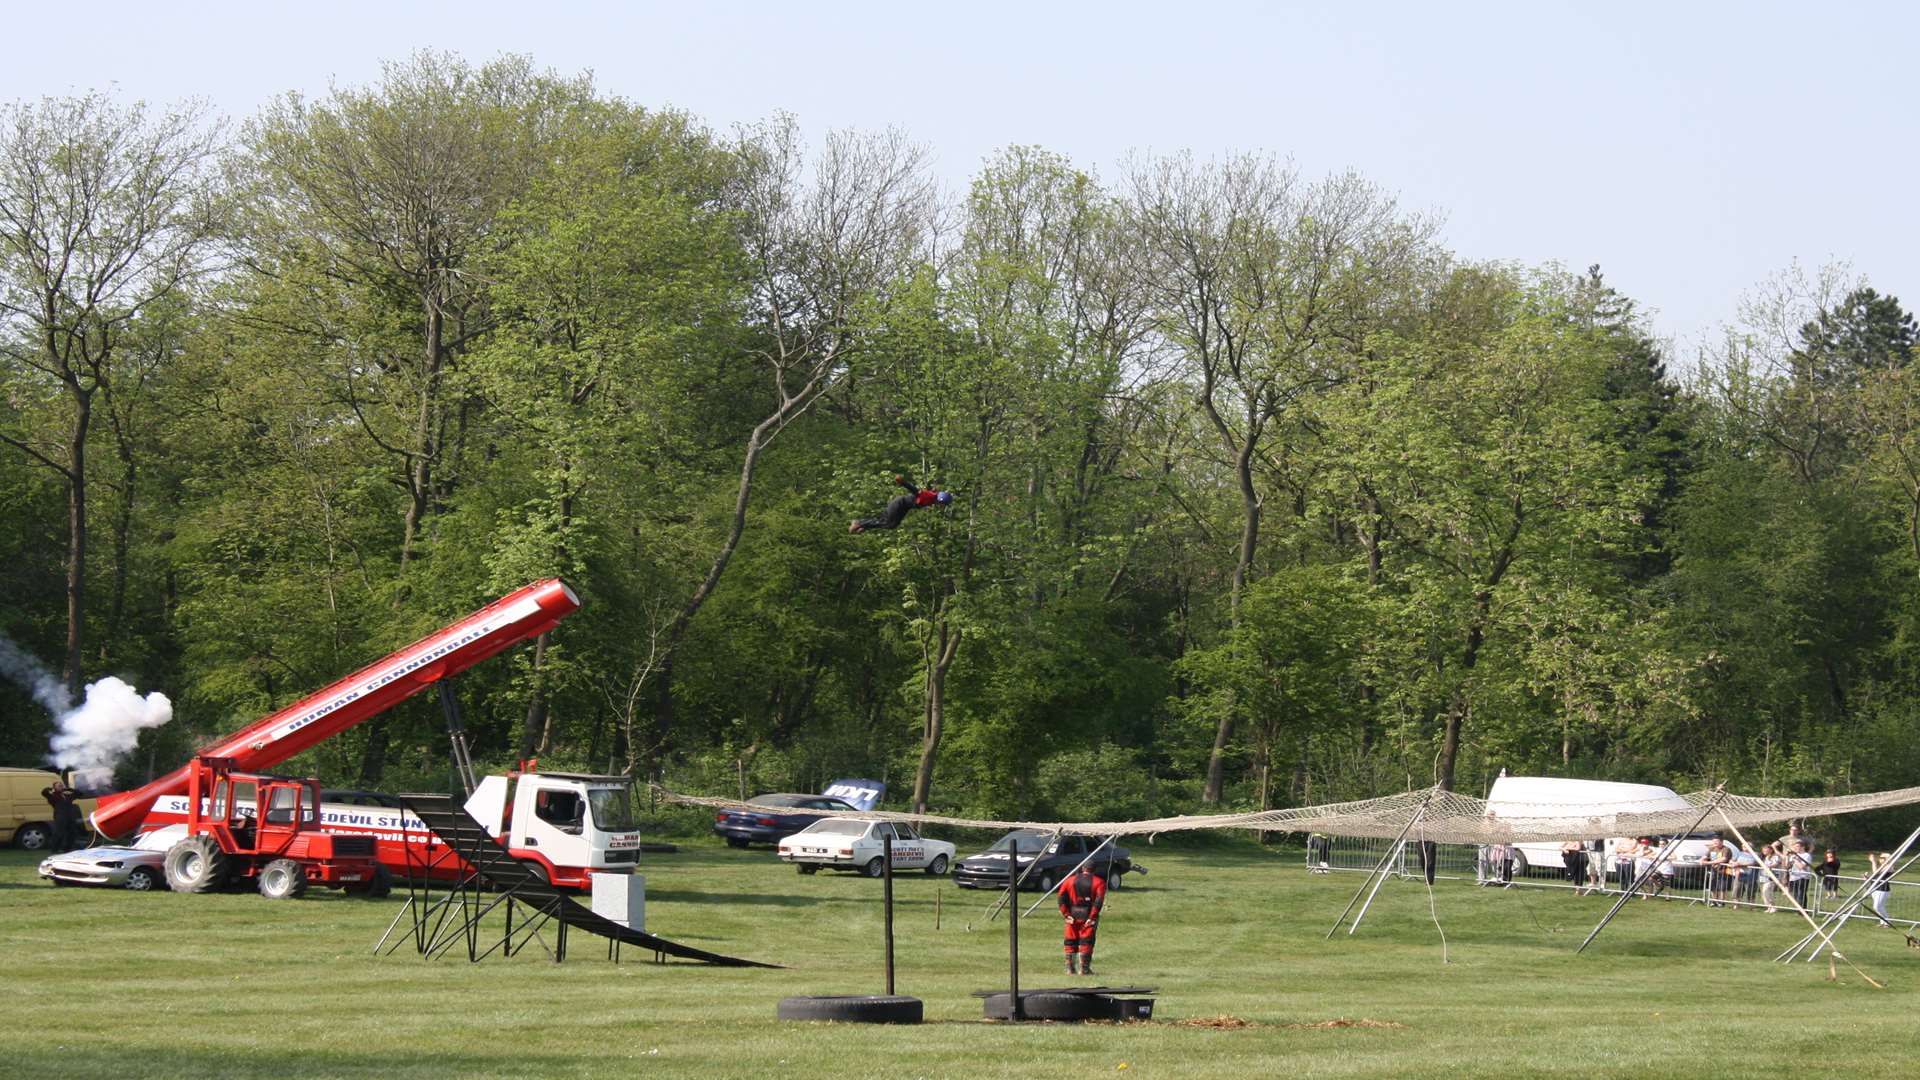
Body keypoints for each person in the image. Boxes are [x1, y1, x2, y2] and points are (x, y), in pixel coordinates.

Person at [850, 474, 953, 533]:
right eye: (943, 504)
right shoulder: (929, 497)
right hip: (899, 504)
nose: (942, 507)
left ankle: (864, 526)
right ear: (940, 501)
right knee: (888, 523)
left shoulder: (933, 497)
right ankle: (859, 523)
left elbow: (932, 490)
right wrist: (902, 482)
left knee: (891, 524)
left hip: (903, 508)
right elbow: (915, 491)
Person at [1058, 862, 1107, 976]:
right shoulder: (1099, 882)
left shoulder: (1069, 880)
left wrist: (1066, 914)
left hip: (1072, 915)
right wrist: (1092, 917)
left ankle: (1070, 969)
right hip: (1088, 915)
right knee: (1086, 941)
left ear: (1082, 868)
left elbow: (1061, 897)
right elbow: (1098, 902)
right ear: (1094, 869)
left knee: (1070, 941)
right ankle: (1084, 970)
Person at [40, 779, 81, 853]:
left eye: (61, 785)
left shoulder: (67, 795)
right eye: (59, 786)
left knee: (72, 833)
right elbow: (44, 792)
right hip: (60, 816)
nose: (61, 787)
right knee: (59, 833)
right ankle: (55, 849)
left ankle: (67, 849)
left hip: (70, 816)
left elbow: (79, 794)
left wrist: (69, 789)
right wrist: (51, 789)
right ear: (55, 787)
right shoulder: (52, 796)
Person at [1703, 836, 1732, 907]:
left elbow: (1724, 859)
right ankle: (1714, 901)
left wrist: (1709, 863)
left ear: (1721, 842)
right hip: (1713, 870)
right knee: (1712, 886)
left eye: (1716, 841)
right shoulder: (1712, 848)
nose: (1715, 843)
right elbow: (1705, 856)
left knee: (1722, 887)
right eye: (1714, 841)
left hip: (1723, 870)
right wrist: (1701, 860)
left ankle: (1721, 902)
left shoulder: (1726, 849)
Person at [1786, 841, 1813, 909]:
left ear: (1803, 847)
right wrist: (1787, 856)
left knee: (1801, 894)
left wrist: (1795, 859)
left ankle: (1803, 910)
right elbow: (1787, 866)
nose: (1795, 848)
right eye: (1795, 847)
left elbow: (1802, 867)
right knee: (1795, 895)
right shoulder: (1793, 855)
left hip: (1802, 877)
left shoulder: (1806, 855)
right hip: (1793, 877)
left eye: (1797, 846)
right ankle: (1799, 909)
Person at [1734, 842, 1761, 906]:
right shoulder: (1739, 853)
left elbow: (1754, 863)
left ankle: (1751, 905)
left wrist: (1741, 864)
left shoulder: (1756, 854)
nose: (1744, 847)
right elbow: (1732, 860)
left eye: (1746, 846)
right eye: (1743, 846)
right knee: (1737, 889)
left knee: (1750, 890)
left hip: (1751, 874)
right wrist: (1733, 863)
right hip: (1740, 873)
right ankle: (1736, 904)